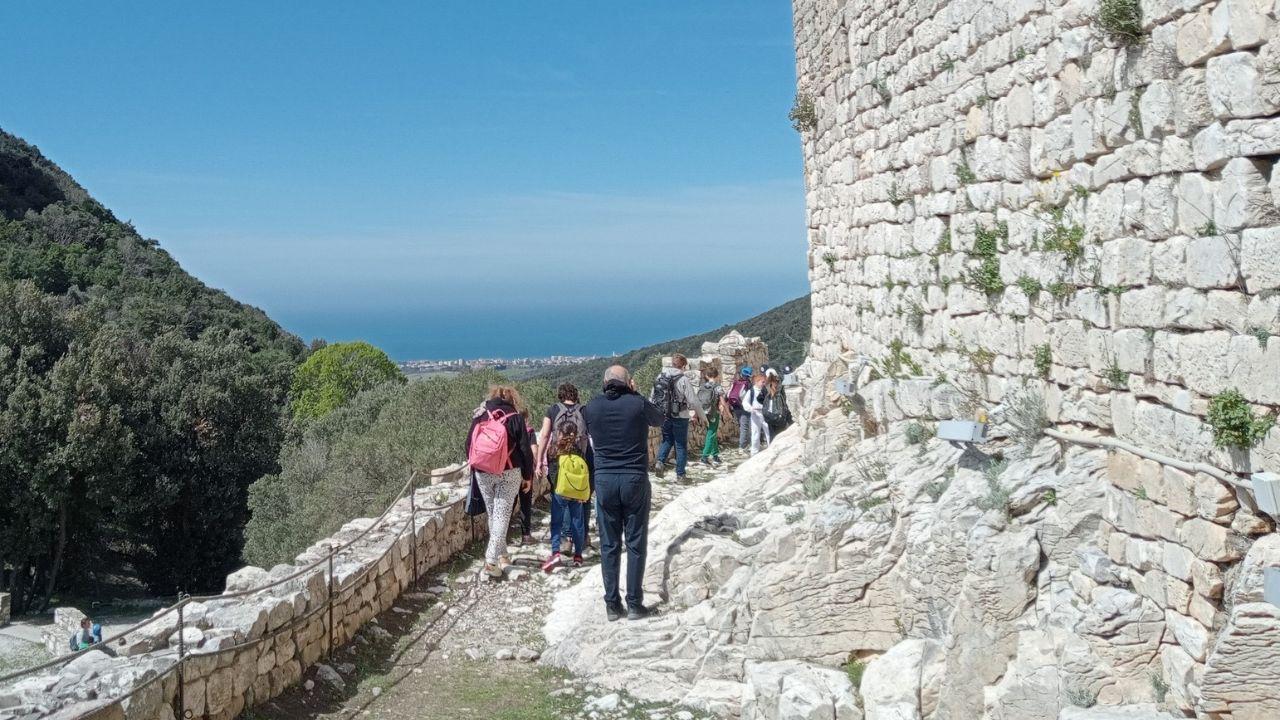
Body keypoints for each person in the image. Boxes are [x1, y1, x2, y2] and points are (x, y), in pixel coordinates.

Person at [582, 365, 663, 621]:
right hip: (634, 478)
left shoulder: (591, 407)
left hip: (604, 480)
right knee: (635, 543)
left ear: (605, 382)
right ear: (628, 382)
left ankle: (612, 605)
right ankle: (635, 603)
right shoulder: (637, 404)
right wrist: (636, 393)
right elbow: (660, 418)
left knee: (609, 544)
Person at [465, 385, 536, 578]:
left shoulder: (480, 414)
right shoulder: (515, 417)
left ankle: (503, 555)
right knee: (501, 515)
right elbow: (525, 450)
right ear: (512, 399)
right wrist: (527, 476)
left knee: (494, 515)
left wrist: (475, 467)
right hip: (509, 471)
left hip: (483, 471)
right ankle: (490, 560)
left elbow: (468, 444)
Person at [536, 383, 594, 558]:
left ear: (560, 396)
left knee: (561, 495)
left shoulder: (553, 410)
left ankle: (565, 538)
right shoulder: (584, 410)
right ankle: (581, 537)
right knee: (582, 495)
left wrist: (539, 461)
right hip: (580, 459)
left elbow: (545, 435)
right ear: (575, 395)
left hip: (557, 459)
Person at [541, 424, 591, 571]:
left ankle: (555, 553)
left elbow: (552, 473)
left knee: (556, 523)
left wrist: (556, 487)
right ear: (575, 435)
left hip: (561, 491)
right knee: (577, 523)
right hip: (577, 492)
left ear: (560, 433)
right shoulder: (579, 451)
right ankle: (578, 556)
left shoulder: (554, 449)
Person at [652, 354, 706, 480]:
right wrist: (702, 416)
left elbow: (653, 396)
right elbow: (693, 401)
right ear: (683, 366)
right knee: (680, 444)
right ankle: (680, 475)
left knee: (667, 439)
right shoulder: (683, 379)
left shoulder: (660, 376)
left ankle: (660, 462)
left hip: (664, 415)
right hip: (680, 416)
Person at [697, 366, 731, 467]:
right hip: (713, 413)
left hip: (703, 412)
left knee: (712, 432)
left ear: (707, 376)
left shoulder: (703, 386)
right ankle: (704, 456)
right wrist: (728, 412)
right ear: (717, 375)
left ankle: (715, 455)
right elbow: (723, 402)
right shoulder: (717, 386)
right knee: (711, 433)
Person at [743, 370, 771, 455]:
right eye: (762, 382)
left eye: (764, 382)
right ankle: (754, 451)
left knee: (769, 432)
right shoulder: (751, 391)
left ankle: (771, 449)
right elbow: (745, 402)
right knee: (755, 433)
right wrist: (750, 408)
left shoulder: (765, 390)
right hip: (755, 414)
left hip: (765, 413)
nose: (763, 383)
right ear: (757, 382)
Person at [727, 366, 752, 450]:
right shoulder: (748, 384)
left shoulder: (736, 382)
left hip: (735, 406)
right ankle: (742, 446)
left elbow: (728, 395)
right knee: (745, 427)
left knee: (742, 425)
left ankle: (746, 443)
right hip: (744, 407)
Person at [763, 369, 793, 436]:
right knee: (781, 435)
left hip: (770, 415)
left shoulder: (766, 387)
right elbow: (785, 399)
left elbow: (759, 398)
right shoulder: (782, 384)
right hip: (780, 415)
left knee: (772, 435)